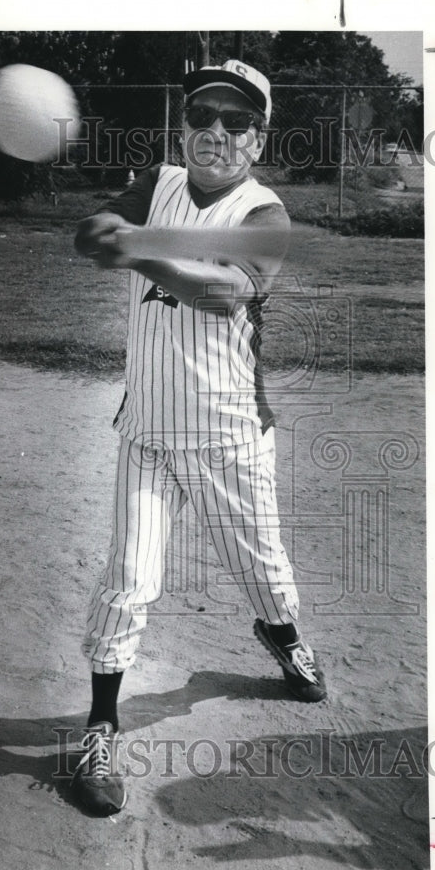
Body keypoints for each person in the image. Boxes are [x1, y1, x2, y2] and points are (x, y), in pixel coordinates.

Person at [72, 60, 327, 817]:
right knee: (127, 579)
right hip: (147, 428)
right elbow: (93, 230)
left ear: (258, 136)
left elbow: (222, 292)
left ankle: (281, 635)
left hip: (226, 433)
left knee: (264, 572)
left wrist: (138, 252)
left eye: (236, 119)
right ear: (182, 126)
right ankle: (98, 730)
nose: (216, 131)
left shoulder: (263, 213)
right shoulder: (157, 183)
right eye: (202, 115)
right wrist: (100, 232)